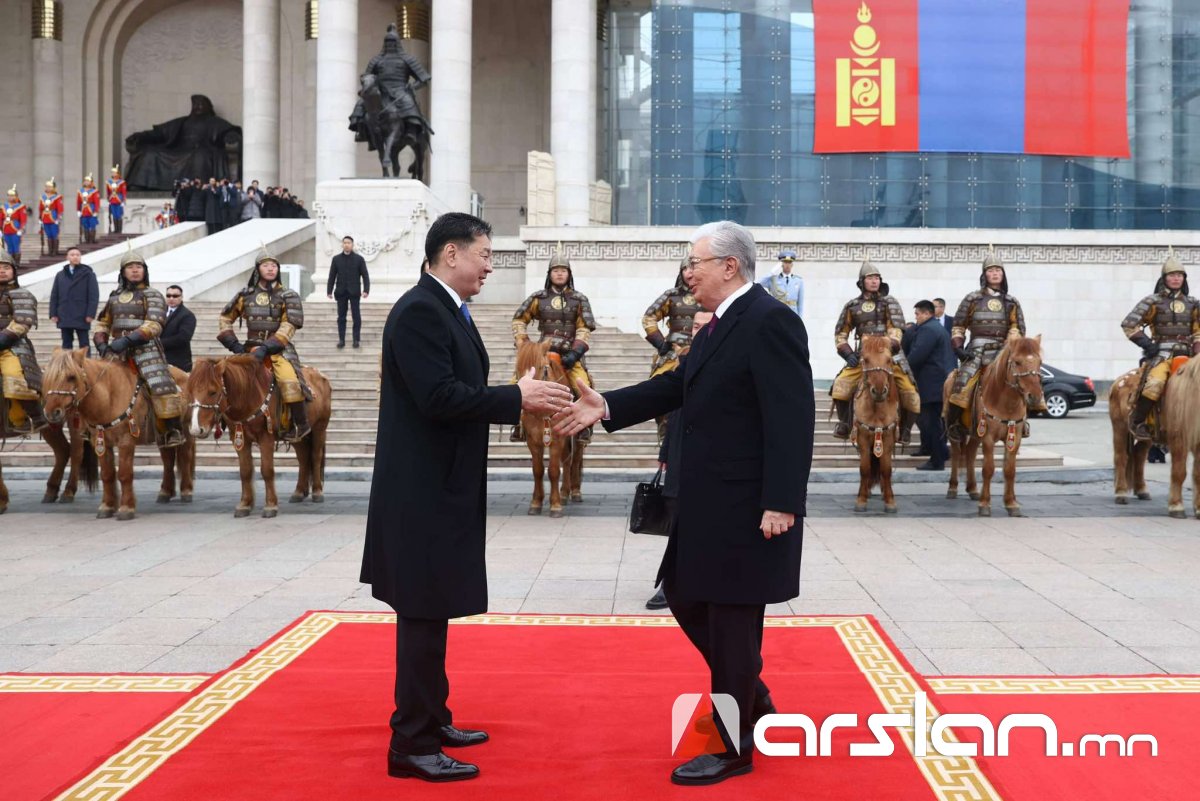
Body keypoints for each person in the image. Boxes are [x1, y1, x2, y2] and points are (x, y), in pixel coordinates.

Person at [553, 220, 814, 787]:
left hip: (748, 506)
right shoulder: (719, 324)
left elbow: (792, 418)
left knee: (732, 625)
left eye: (695, 262)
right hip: (707, 501)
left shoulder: (771, 320)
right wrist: (607, 406)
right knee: (684, 594)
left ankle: (732, 747)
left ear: (730, 266)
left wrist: (781, 501)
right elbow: (677, 386)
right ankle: (751, 695)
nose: (687, 272)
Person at [360, 212, 572, 783]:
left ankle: (434, 718)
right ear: (450, 253)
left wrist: (511, 396)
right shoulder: (420, 311)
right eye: (485, 254)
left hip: (440, 485)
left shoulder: (446, 308)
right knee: (422, 617)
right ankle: (412, 743)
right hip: (420, 493)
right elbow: (439, 397)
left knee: (433, 613)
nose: (489, 267)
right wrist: (516, 398)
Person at [645, 308, 712, 612]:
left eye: (704, 325)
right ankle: (671, 583)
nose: (698, 330)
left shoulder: (726, 357)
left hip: (710, 457)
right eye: (695, 326)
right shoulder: (681, 360)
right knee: (676, 518)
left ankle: (688, 581)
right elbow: (674, 412)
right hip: (679, 451)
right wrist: (664, 453)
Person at [216, 248, 312, 442]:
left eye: (274, 265)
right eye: (266, 265)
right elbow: (225, 318)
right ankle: (222, 420)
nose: (270, 269)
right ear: (258, 269)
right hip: (248, 350)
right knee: (223, 379)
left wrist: (267, 347)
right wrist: (234, 344)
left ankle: (300, 424)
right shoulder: (245, 295)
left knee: (290, 383)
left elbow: (289, 324)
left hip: (279, 350)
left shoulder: (288, 295)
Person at [93, 249, 187, 447]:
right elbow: (103, 322)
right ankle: (90, 427)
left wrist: (128, 340)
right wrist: (101, 344)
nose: (135, 270)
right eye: (130, 267)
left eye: (138, 267)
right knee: (93, 383)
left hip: (147, 350)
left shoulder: (152, 295)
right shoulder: (115, 296)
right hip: (116, 352)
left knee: (161, 385)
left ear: (144, 270)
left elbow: (154, 323)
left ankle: (171, 428)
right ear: (123, 272)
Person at [945, 247, 1039, 442]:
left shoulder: (1011, 301)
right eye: (991, 270)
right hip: (977, 348)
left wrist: (1010, 343)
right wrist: (958, 347)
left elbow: (1017, 326)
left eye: (998, 270)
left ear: (1003, 275)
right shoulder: (972, 298)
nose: (995, 273)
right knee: (961, 383)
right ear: (984, 275)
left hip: (1004, 350)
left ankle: (1022, 421)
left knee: (1027, 378)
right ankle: (955, 424)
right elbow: (959, 325)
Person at [510, 245, 597, 441]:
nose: (559, 274)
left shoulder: (579, 299)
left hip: (569, 355)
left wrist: (575, 353)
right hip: (542, 353)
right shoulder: (538, 298)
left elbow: (584, 328)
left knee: (583, 386)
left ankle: (584, 426)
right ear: (550, 274)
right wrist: (524, 345)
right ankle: (518, 424)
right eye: (555, 270)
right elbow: (519, 320)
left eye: (563, 270)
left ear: (569, 274)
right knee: (516, 382)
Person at [830, 260, 920, 444]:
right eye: (870, 278)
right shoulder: (852, 305)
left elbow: (896, 330)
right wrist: (848, 354)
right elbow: (841, 334)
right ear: (862, 282)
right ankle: (844, 424)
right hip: (864, 357)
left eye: (877, 278)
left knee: (910, 392)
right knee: (840, 385)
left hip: (891, 355)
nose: (874, 281)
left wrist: (887, 347)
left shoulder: (889, 302)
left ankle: (905, 430)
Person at [1121, 250, 1200, 441]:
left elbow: (1198, 331)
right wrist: (1147, 344)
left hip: (1189, 355)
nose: (1176, 278)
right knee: (1154, 385)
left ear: (1184, 278)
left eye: (1180, 275)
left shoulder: (1193, 303)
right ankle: (1138, 421)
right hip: (1161, 354)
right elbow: (1129, 324)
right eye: (1172, 275)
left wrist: (1197, 351)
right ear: (1164, 278)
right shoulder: (1152, 301)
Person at [641, 257, 702, 441]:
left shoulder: (709, 295)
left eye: (693, 267)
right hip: (673, 352)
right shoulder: (671, 295)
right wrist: (660, 343)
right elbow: (649, 317)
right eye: (686, 268)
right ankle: (663, 425)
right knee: (656, 386)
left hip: (702, 350)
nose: (689, 272)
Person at [0, 249, 48, 434]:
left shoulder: (22, 294)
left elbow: (22, 322)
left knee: (14, 377)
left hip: (13, 347)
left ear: (14, 271)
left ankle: (33, 416)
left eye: (6, 267)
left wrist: (3, 339)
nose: (2, 271)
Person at [905, 301, 955, 470]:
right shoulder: (936, 327)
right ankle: (942, 452)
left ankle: (937, 461)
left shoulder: (928, 329)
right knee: (935, 422)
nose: (916, 318)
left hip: (931, 383)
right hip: (938, 381)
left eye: (917, 314)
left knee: (931, 423)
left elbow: (917, 356)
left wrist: (903, 366)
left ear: (926, 314)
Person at [49, 246, 99, 353]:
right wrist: (53, 313)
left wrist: (91, 314)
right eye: (72, 255)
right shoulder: (60, 275)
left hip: (82, 314)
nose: (75, 257)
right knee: (66, 343)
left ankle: (86, 362)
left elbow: (94, 296)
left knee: (84, 343)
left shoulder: (88, 274)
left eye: (77, 255)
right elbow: (54, 295)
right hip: (64, 314)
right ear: (67, 257)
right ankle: (67, 363)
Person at [327, 236, 371, 348]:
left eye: (349, 243)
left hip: (354, 292)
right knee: (341, 317)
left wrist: (366, 290)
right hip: (341, 292)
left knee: (356, 316)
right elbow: (332, 276)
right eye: (345, 243)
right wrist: (329, 291)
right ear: (342, 245)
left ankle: (356, 339)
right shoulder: (336, 259)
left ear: (352, 245)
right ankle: (341, 340)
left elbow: (365, 275)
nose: (346, 245)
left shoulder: (359, 259)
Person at [160, 285, 196, 372]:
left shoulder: (188, 315)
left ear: (181, 297)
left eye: (175, 296)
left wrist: (158, 343)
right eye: (168, 295)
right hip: (159, 359)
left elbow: (183, 338)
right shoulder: (160, 311)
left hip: (178, 362)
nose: (171, 298)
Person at [758, 249, 803, 317]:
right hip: (777, 313)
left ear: (792, 264)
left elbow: (800, 303)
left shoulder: (798, 281)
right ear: (781, 264)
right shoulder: (773, 280)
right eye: (785, 262)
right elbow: (758, 283)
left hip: (793, 314)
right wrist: (771, 272)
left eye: (789, 262)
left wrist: (800, 319)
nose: (787, 265)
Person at [38, 177, 64, 257]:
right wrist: (40, 217)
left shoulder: (57, 197)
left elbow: (60, 208)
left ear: (53, 188)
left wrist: (59, 217)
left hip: (53, 217)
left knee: (54, 234)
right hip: (45, 218)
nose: (48, 188)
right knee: (48, 235)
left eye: (49, 187)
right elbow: (40, 208)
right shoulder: (42, 197)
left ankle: (55, 251)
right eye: (47, 186)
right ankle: (50, 251)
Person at [2, 186, 27, 267]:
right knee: (9, 248)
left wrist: (21, 228)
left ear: (16, 196)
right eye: (9, 195)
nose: (10, 197)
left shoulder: (20, 206)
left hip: (15, 229)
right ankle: (11, 263)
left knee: (16, 247)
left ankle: (16, 263)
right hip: (6, 229)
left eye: (12, 196)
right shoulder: (3, 207)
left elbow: (23, 218)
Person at [77, 174, 101, 244]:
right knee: (85, 226)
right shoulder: (80, 191)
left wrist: (96, 211)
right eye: (85, 181)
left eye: (88, 181)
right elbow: (78, 201)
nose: (86, 182)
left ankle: (92, 240)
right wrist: (78, 210)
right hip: (84, 210)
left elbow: (97, 202)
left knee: (92, 225)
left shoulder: (94, 191)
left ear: (91, 182)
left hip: (91, 210)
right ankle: (87, 240)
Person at [106, 165, 127, 235]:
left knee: (119, 215)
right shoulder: (109, 182)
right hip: (112, 200)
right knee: (114, 215)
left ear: (117, 173)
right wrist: (108, 199)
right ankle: (115, 229)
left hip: (119, 200)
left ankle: (119, 230)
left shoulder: (121, 182)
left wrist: (123, 200)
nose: (113, 174)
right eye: (112, 172)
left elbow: (123, 192)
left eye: (114, 172)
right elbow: (108, 192)